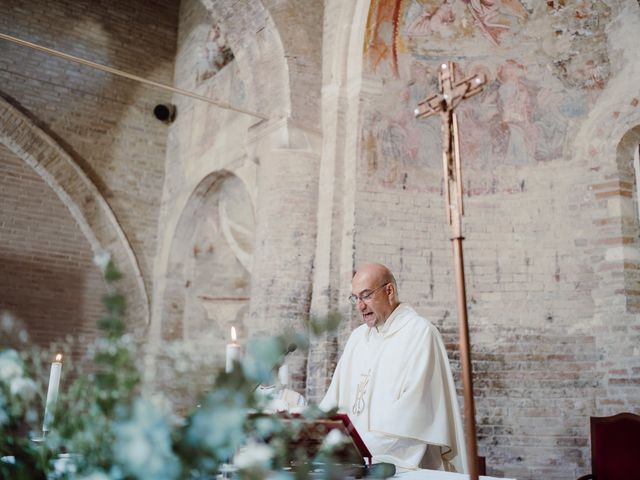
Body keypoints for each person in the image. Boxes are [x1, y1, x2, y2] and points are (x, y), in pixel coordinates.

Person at [319, 263, 467, 473]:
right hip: (352, 463)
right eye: (355, 298)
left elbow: (413, 413)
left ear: (389, 290)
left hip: (402, 464)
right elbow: (333, 403)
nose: (360, 306)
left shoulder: (420, 333)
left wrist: (357, 450)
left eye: (366, 295)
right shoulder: (357, 339)